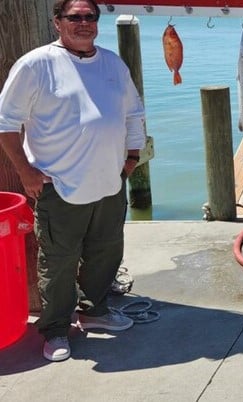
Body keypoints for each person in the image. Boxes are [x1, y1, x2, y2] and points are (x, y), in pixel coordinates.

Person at [0, 0, 145, 362]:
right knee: (58, 263)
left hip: (110, 185)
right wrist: (25, 171)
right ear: (57, 23)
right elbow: (5, 122)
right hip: (58, 187)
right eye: (74, 17)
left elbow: (133, 112)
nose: (83, 23)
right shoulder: (36, 64)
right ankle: (55, 330)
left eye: (90, 17)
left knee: (106, 252)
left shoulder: (112, 62)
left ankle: (94, 310)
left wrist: (131, 158)